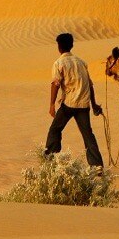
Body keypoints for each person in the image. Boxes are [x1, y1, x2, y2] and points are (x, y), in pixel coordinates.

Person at [45, 33, 104, 171]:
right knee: (88, 134)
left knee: (55, 129)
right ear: (72, 45)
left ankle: (50, 161)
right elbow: (90, 85)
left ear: (59, 47)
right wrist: (94, 104)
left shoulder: (59, 63)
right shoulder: (81, 62)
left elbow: (55, 84)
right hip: (83, 104)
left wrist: (52, 104)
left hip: (69, 104)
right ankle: (97, 167)